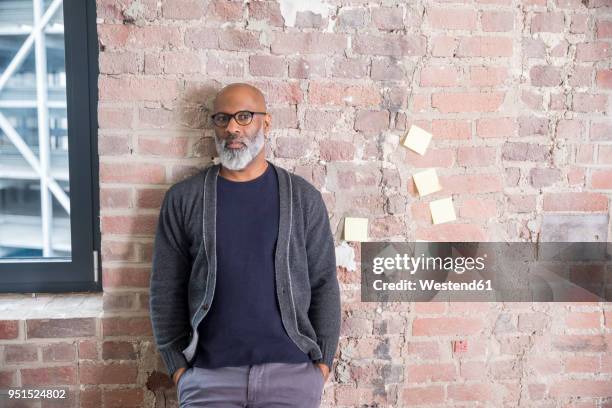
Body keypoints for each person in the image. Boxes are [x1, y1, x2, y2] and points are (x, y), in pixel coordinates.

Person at [149, 83, 341, 407]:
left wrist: (321, 366)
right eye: (222, 119)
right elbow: (165, 288)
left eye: (243, 116)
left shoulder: (304, 199)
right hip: (208, 380)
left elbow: (323, 282)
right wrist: (179, 370)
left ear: (266, 123)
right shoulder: (184, 200)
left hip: (292, 377)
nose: (232, 128)